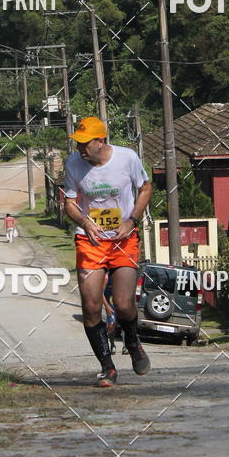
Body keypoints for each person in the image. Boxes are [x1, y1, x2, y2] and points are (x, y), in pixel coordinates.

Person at [63, 116, 152, 387]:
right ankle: (107, 367)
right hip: (90, 240)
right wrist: (84, 221)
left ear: (101, 140)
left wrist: (132, 219)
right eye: (77, 143)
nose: (80, 149)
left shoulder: (127, 158)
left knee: (124, 304)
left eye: (84, 143)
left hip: (123, 240)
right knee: (91, 306)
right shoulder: (73, 164)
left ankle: (133, 343)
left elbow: (145, 188)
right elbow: (68, 202)